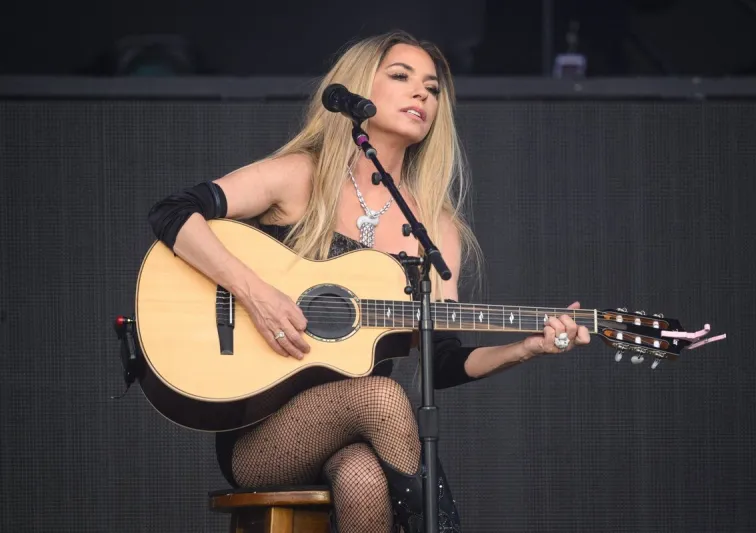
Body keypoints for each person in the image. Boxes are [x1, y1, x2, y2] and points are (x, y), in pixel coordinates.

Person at [147, 30, 591, 533]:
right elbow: (172, 213)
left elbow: (441, 361)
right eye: (401, 77)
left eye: (432, 87)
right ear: (359, 89)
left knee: (362, 477)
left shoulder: (435, 227)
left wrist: (527, 348)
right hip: (262, 433)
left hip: (362, 437)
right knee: (380, 394)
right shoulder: (300, 176)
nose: (421, 93)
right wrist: (257, 294)